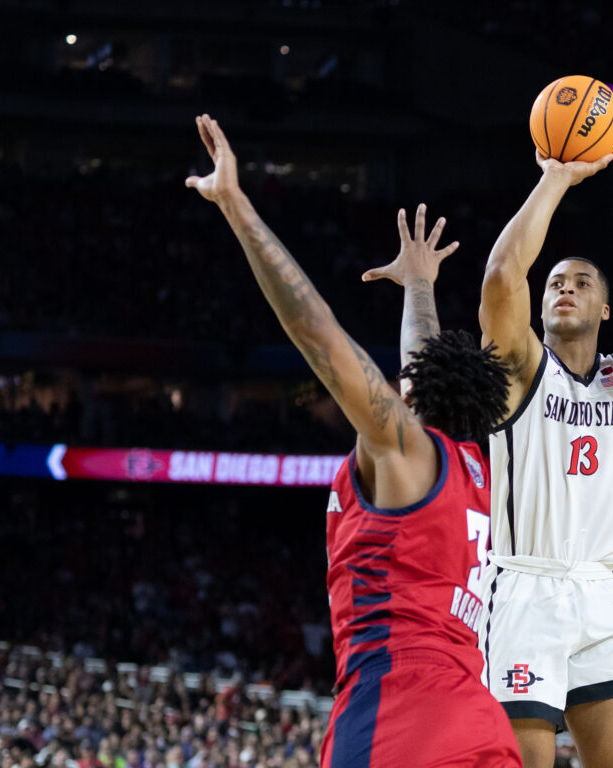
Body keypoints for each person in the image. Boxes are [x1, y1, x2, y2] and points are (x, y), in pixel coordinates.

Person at [185, 115, 521, 768]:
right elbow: (424, 362)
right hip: (480, 720)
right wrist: (419, 286)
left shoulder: (404, 451)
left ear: (412, 396)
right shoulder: (470, 469)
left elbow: (318, 333)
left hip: (398, 711)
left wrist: (237, 208)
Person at [477, 146, 613, 768]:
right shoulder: (518, 369)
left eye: (581, 283)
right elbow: (502, 278)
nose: (565, 289)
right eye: (556, 284)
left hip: (600, 591)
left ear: (605, 310)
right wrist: (555, 179)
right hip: (523, 588)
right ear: (541, 308)